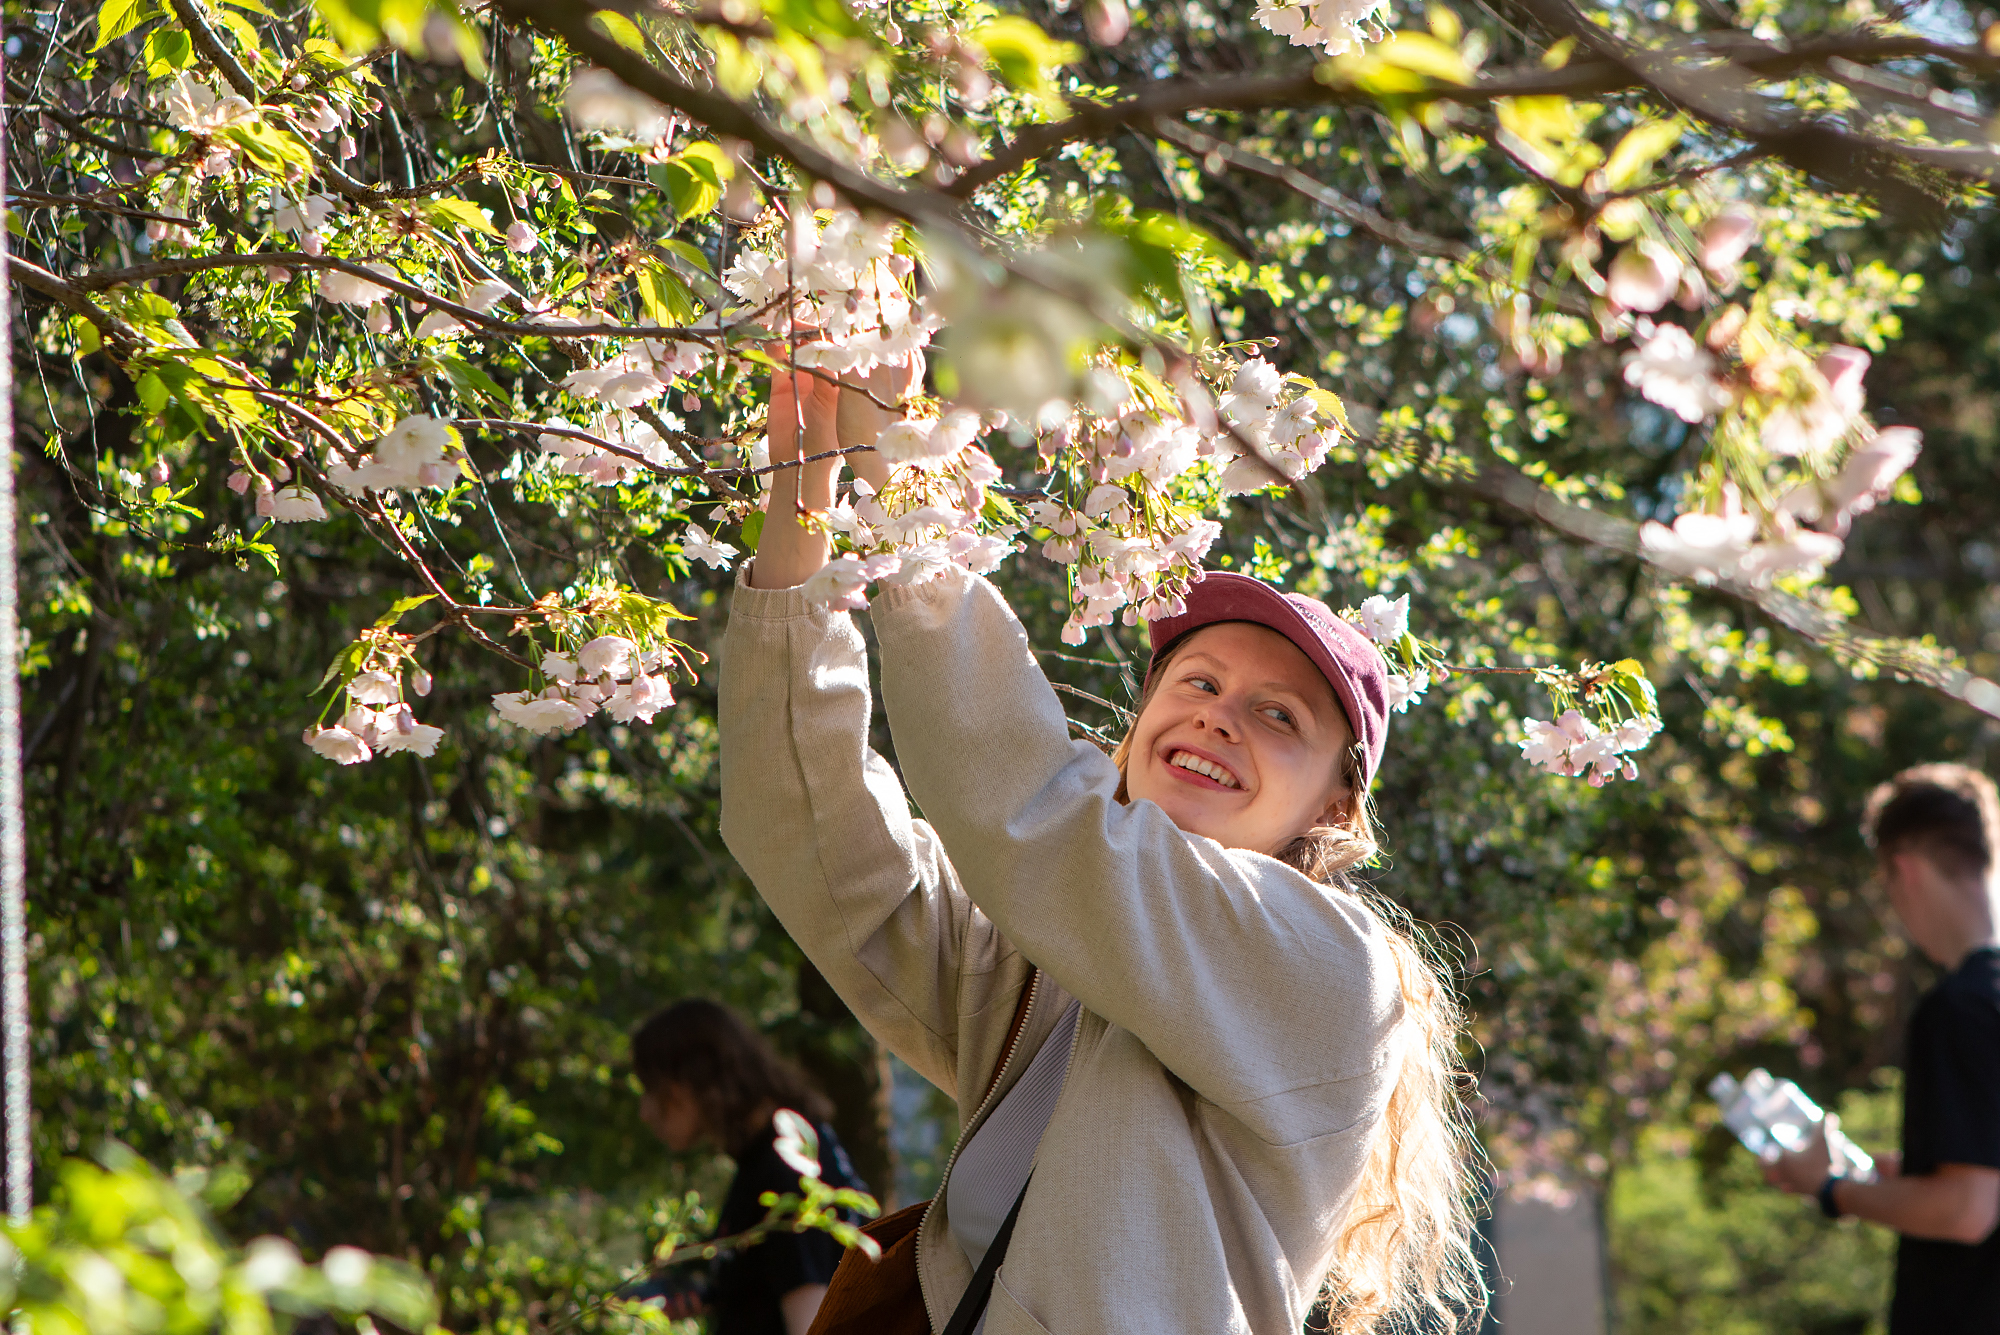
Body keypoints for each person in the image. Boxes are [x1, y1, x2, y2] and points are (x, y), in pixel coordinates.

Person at [715, 367, 1485, 1335]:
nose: (1216, 718)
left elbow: (1026, 813)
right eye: (1196, 680)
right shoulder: (1048, 954)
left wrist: (902, 486)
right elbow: (810, 833)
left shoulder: (1329, 971)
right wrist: (808, 490)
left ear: (1334, 803)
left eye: (1276, 714)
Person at [1766, 762, 2000, 1331]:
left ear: (1905, 870)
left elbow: (1968, 1211)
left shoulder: (1960, 1007)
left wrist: (1830, 1187)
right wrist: (1909, 1173)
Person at [629, 998, 869, 1335]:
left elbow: (811, 1323)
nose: (645, 1111)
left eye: (649, 1089)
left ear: (683, 1085)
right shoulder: (773, 1152)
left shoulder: (786, 1166)